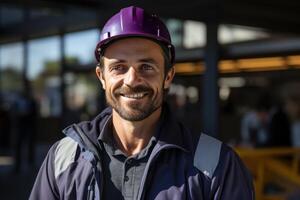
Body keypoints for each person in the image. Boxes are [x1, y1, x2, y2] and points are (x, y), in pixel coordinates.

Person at [30, 6, 254, 200]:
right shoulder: (64, 157)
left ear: (168, 76)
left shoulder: (218, 163)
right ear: (101, 77)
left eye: (147, 67)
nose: (132, 80)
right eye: (118, 67)